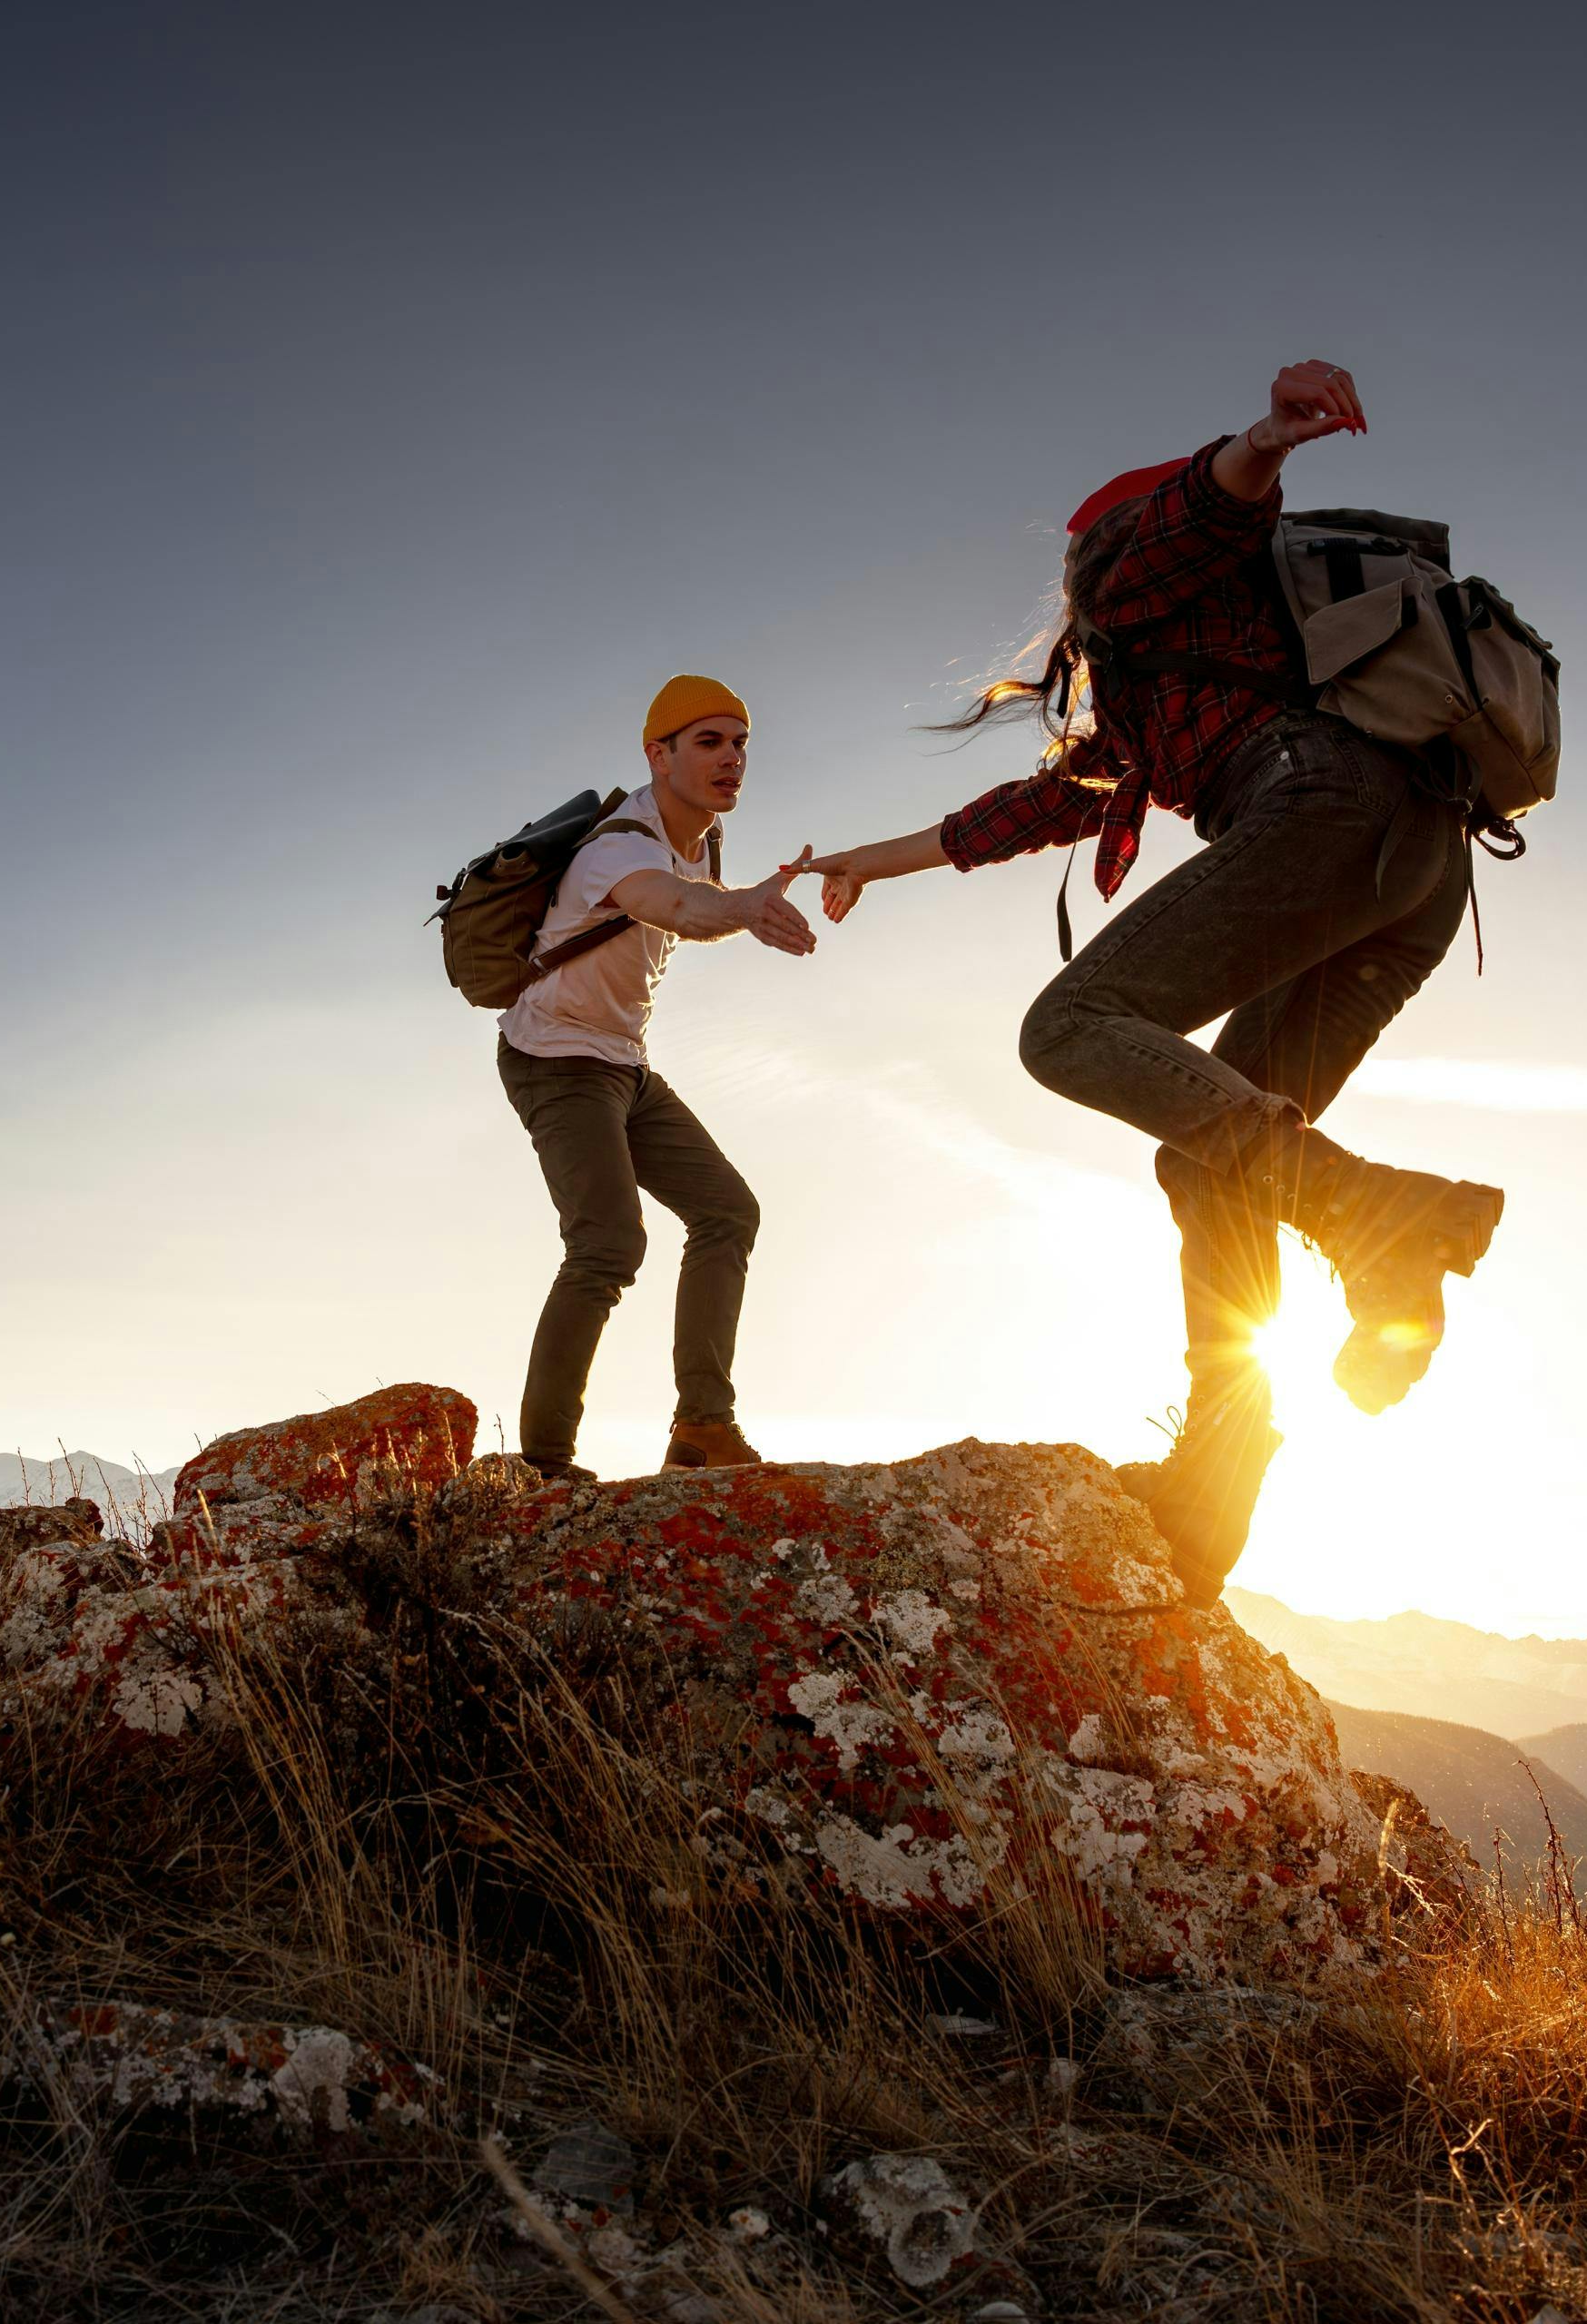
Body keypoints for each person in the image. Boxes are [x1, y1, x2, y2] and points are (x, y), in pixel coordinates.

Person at [795, 361, 1506, 1594]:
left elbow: (1213, 502)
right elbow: (1028, 812)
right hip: (1417, 874)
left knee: (1070, 1025)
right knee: (1208, 1153)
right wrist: (869, 861)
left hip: (1325, 814)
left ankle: (1373, 1215)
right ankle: (1214, 1489)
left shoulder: (1139, 569)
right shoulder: (1162, 688)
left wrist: (1265, 437)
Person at [497, 675, 817, 1482]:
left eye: (740, 742)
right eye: (708, 742)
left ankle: (702, 1428)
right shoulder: (620, 844)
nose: (731, 757)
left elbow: (696, 896)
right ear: (659, 755)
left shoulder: (701, 837)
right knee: (607, 1243)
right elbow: (675, 906)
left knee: (727, 1211)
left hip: (623, 1064)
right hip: (555, 1058)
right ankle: (542, 1466)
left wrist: (743, 902)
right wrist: (741, 909)